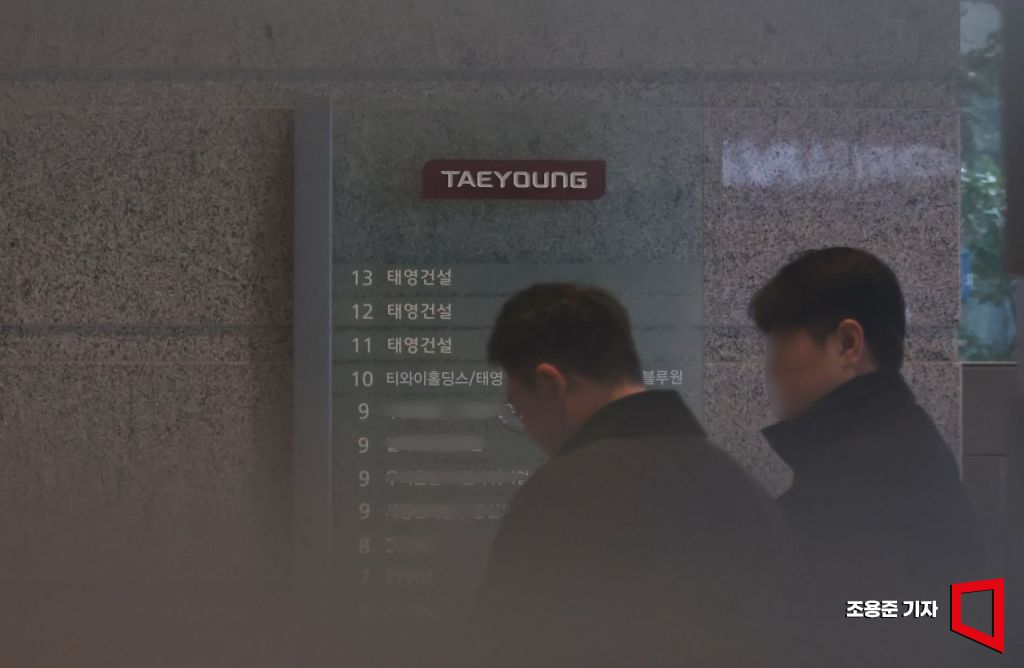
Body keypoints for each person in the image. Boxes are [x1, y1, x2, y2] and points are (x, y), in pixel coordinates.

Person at [466, 282, 805, 668]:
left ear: (549, 384)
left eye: (518, 409)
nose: (526, 428)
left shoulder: (563, 494)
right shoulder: (740, 485)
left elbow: (505, 645)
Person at [749, 246, 988, 665]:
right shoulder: (895, 446)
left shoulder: (867, 478)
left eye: (782, 341)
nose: (771, 366)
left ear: (847, 343)